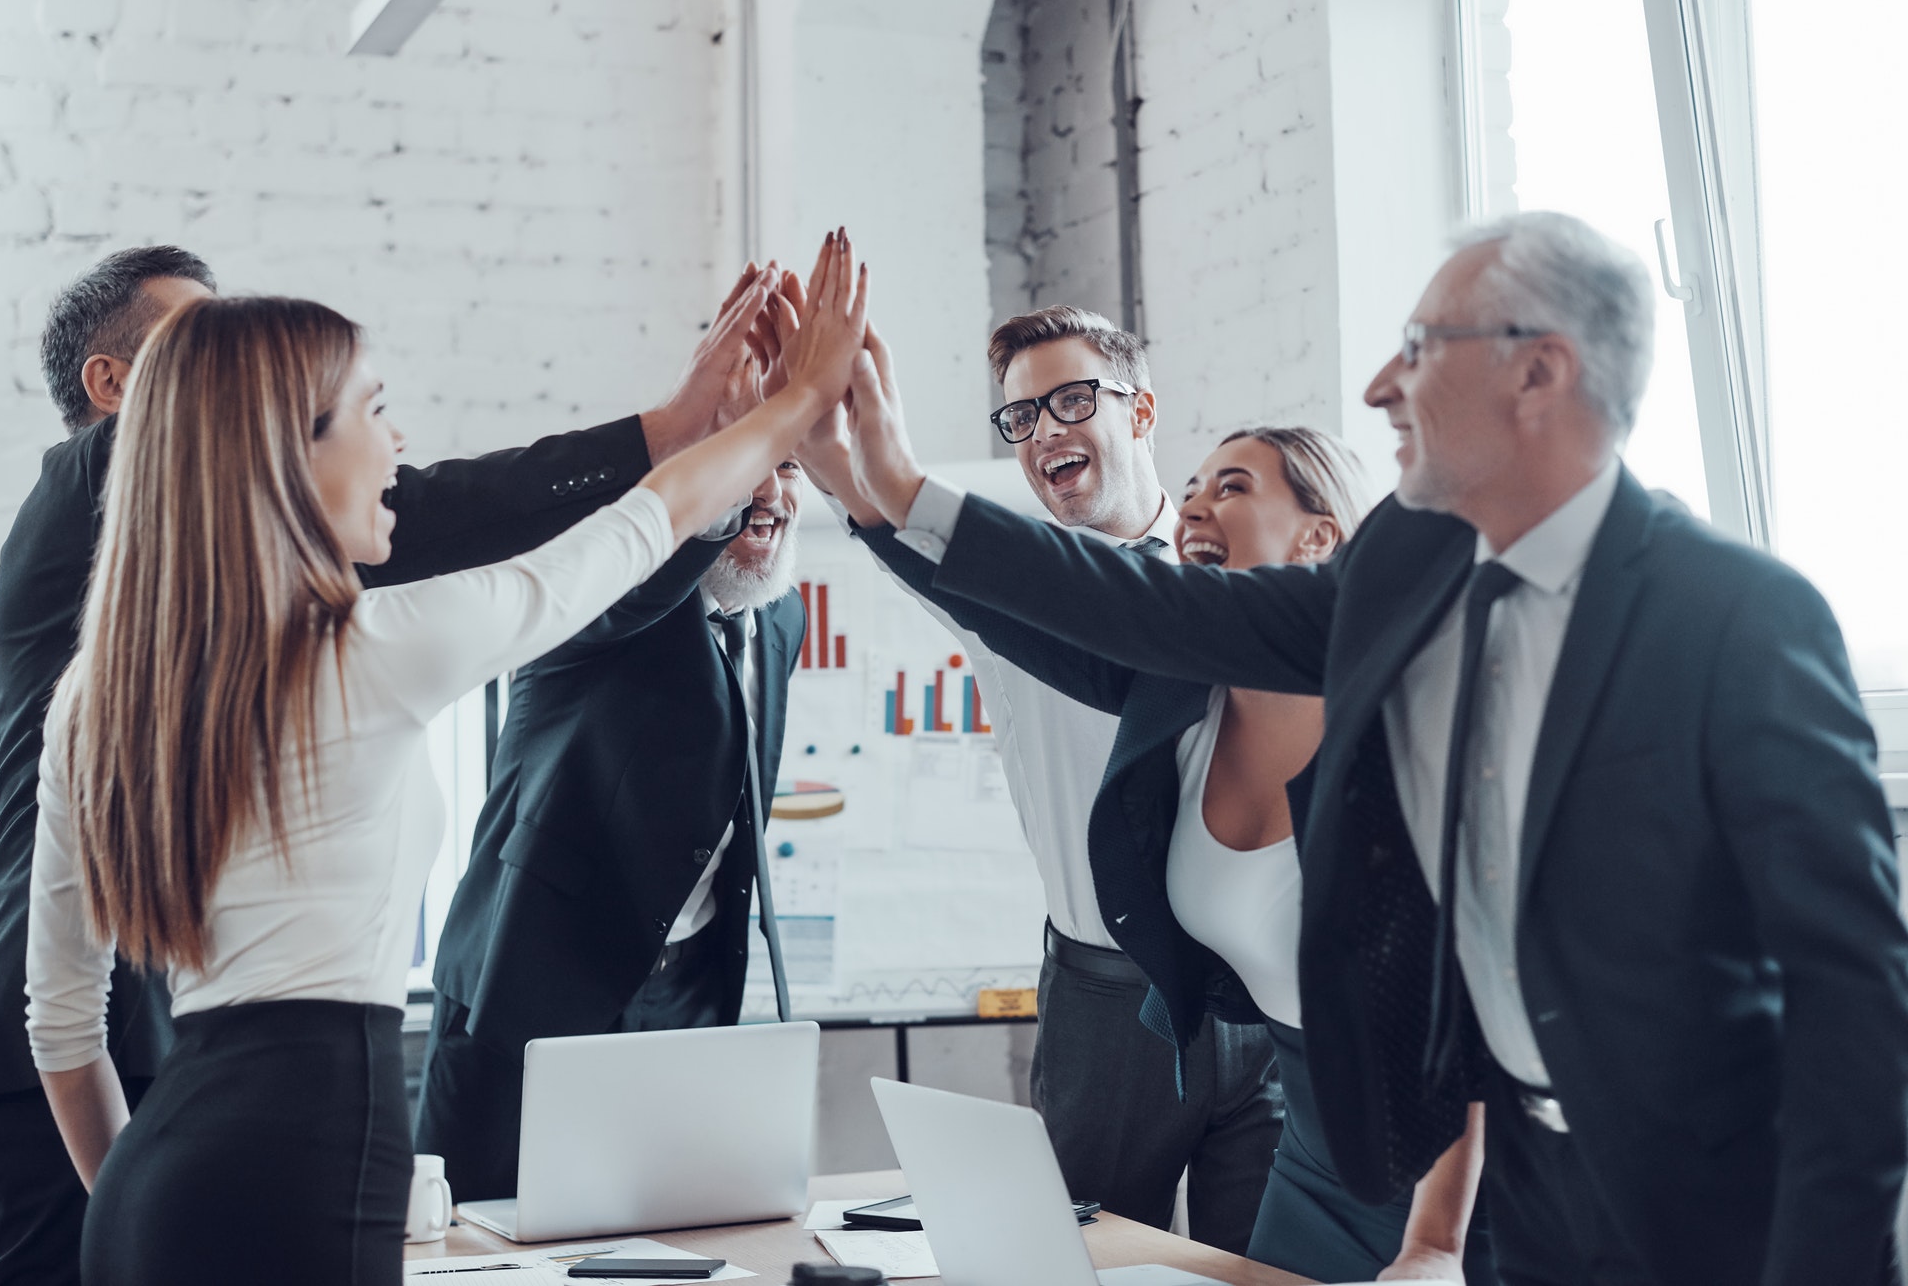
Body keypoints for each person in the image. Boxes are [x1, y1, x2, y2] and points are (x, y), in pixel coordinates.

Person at [833, 210, 1908, 1286]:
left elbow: (1853, 1013)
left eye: (1421, 348)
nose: (1378, 389)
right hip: (1502, 1179)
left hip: (1697, 1198)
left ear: (1538, 372)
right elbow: (1157, 615)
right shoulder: (1407, 563)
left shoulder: (1735, 615)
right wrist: (897, 491)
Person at [0, 244, 789, 1285]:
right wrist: (688, 427)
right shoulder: (114, 491)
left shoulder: (177, 647)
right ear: (135, 390)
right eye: (199, 344)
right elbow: (497, 537)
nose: (233, 368)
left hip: (157, 1097)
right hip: (97, 1092)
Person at [796, 306, 1281, 1255]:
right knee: (1084, 1263)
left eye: (1070, 399)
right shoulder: (1013, 585)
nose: (1045, 429)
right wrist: (827, 430)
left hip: (1262, 995)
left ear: (1140, 411)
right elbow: (888, 523)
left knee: (1264, 1269)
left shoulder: (1232, 572)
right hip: (1110, 1008)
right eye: (1021, 417)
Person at [415, 272, 813, 1202]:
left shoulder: (780, 621)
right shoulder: (601, 594)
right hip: (535, 987)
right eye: (741, 460)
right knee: (496, 1240)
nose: (769, 490)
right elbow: (635, 590)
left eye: (788, 463)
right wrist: (718, 466)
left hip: (690, 992)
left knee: (666, 1236)